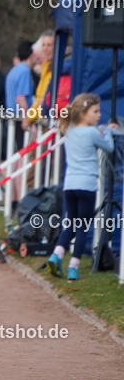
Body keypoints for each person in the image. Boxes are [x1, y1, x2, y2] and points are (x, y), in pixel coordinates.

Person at [44, 94, 118, 280]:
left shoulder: (69, 129)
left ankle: (57, 254)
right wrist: (108, 131)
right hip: (87, 185)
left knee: (70, 223)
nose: (99, 115)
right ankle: (73, 268)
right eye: (95, 111)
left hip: (70, 184)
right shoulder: (92, 132)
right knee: (83, 227)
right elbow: (108, 147)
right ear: (84, 113)